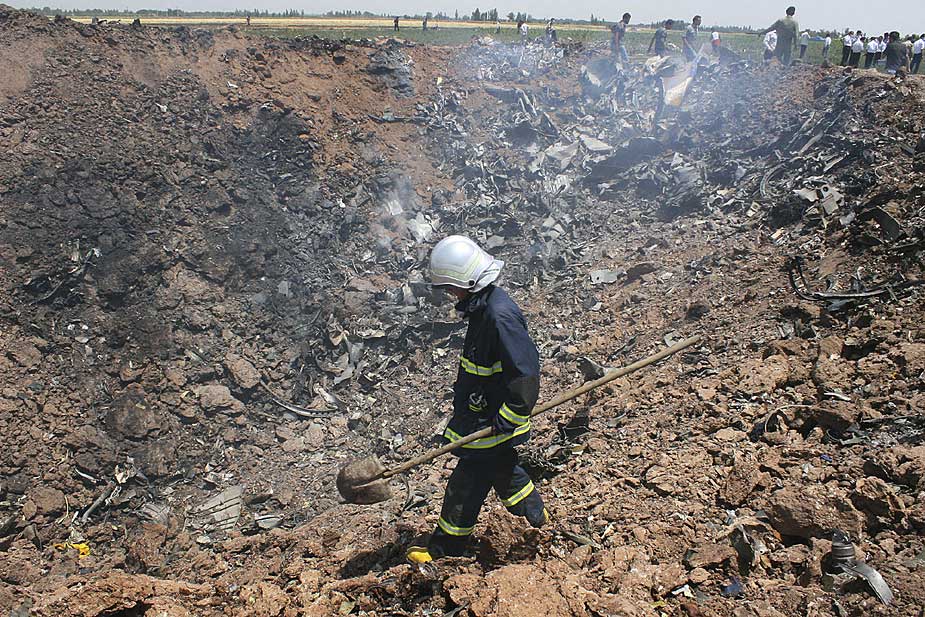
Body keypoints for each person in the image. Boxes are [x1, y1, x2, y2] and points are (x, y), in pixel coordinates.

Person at [405, 236, 547, 564]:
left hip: (492, 420)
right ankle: (536, 519)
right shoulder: (484, 309)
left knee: (466, 484)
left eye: (451, 288)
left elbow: (525, 374)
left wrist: (511, 415)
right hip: (482, 415)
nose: (450, 294)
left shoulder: (499, 316)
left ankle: (445, 551)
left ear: (468, 282)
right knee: (503, 470)